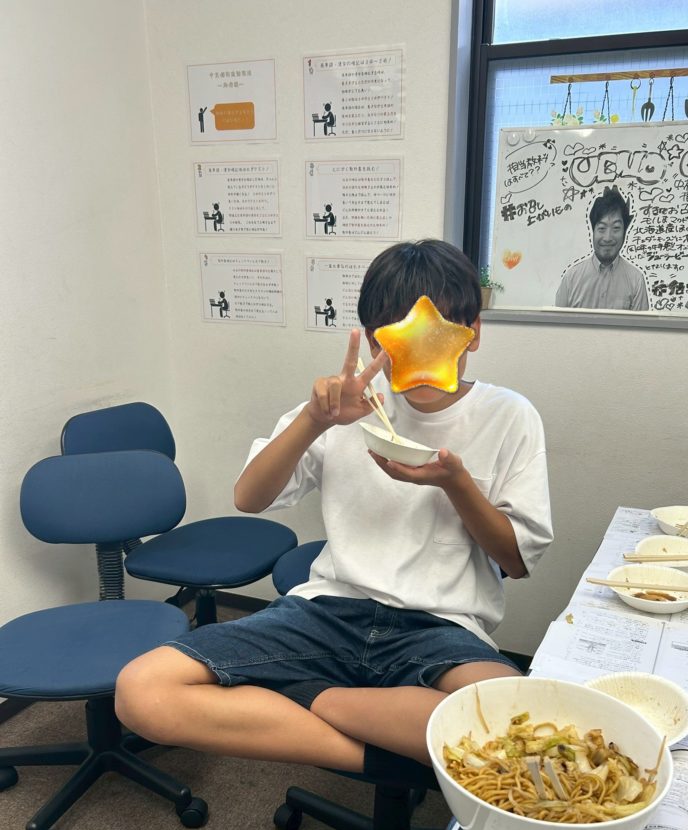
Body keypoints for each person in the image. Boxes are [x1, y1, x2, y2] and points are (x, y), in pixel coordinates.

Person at [115, 239, 553, 780]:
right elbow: (249, 497)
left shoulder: (509, 416)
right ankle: (383, 753)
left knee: (517, 724)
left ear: (474, 333)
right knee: (141, 692)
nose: (420, 359)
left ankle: (315, 697)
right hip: (326, 611)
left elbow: (516, 561)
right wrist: (314, 421)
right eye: (401, 341)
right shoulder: (345, 406)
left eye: (438, 339)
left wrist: (456, 484)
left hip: (441, 624)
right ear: (374, 342)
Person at [555, 186, 649, 311]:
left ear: (625, 231)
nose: (608, 237)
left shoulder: (636, 281)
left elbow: (641, 324)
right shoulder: (571, 279)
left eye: (616, 228)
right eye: (602, 228)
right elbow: (557, 323)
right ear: (593, 230)